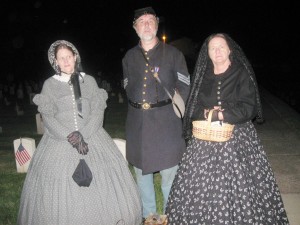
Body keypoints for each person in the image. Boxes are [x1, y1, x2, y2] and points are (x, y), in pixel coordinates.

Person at [165, 33, 290, 224]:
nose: (217, 51)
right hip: (205, 139)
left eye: (221, 46)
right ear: (207, 53)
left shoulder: (241, 72)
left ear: (230, 49)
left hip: (237, 138)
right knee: (200, 187)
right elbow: (193, 107)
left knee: (242, 186)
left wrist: (222, 114)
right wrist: (208, 113)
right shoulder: (202, 76)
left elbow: (249, 107)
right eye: (212, 48)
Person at [17, 40, 142, 225]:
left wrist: (84, 133)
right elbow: (48, 117)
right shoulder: (50, 85)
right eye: (61, 58)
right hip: (59, 142)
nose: (66, 61)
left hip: (93, 137)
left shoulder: (89, 81)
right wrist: (72, 137)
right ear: (56, 62)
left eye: (69, 56)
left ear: (75, 57)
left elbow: (98, 111)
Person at [122, 6, 190, 219]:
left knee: (169, 174)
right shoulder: (128, 57)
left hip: (166, 123)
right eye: (141, 21)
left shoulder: (173, 53)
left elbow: (186, 85)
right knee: (142, 175)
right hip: (138, 124)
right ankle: (150, 216)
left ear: (157, 25)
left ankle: (170, 215)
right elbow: (127, 85)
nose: (146, 25)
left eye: (150, 20)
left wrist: (176, 111)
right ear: (135, 28)